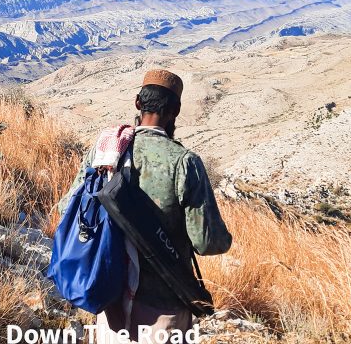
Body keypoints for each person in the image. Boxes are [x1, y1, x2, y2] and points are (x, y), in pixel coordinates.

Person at [57, 69, 232, 343]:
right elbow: (208, 243)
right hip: (163, 308)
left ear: (138, 103)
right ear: (175, 111)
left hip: (110, 301)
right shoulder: (185, 163)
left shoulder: (105, 152)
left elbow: (67, 208)